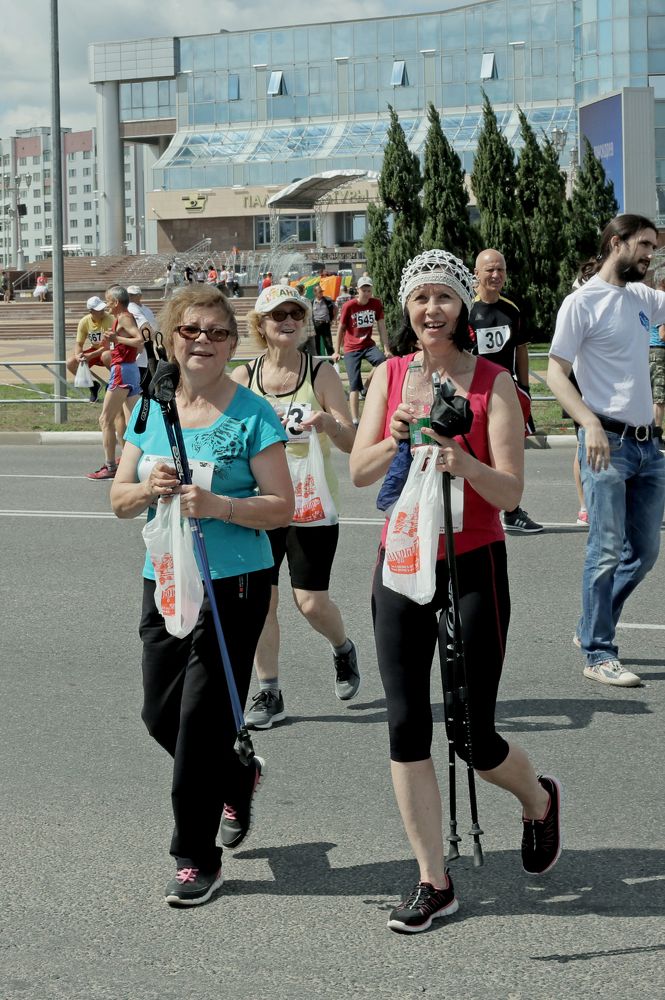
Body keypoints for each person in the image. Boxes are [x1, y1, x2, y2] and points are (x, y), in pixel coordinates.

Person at [350, 249, 562, 934]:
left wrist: (462, 458)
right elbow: (358, 470)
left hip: (472, 562)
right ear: (405, 310)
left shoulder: (493, 383)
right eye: (419, 299)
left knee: (472, 734)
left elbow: (508, 491)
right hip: (403, 559)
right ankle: (431, 880)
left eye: (443, 298)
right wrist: (400, 435)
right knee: (405, 724)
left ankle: (535, 800)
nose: (431, 311)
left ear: (462, 306)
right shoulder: (387, 375)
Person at [110, 284, 294, 906]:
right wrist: (147, 488)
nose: (204, 342)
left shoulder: (253, 414)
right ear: (170, 336)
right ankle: (236, 771)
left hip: (235, 583)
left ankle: (195, 857)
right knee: (159, 713)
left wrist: (220, 506)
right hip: (164, 577)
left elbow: (281, 508)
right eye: (192, 330)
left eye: (218, 333)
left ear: (232, 342)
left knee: (200, 719)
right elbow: (118, 500)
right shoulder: (150, 409)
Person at [231, 284, 359, 729]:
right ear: (261, 326)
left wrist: (327, 422)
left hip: (310, 507)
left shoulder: (320, 372)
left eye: (294, 314)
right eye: (277, 315)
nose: (287, 321)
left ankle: (342, 648)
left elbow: (351, 440)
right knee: (262, 605)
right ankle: (270, 693)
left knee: (310, 603)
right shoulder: (244, 376)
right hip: (261, 505)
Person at [547, 214, 665, 688]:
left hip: (648, 447)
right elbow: (556, 372)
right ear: (616, 243)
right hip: (607, 445)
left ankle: (590, 626)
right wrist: (588, 422)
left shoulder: (641, 298)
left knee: (645, 552)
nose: (650, 255)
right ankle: (598, 651)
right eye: (644, 246)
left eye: (654, 248)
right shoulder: (581, 303)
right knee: (605, 550)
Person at [469, 249, 542, 534]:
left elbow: (521, 349)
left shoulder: (512, 309)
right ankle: (477, 509)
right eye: (490, 270)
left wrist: (524, 389)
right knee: (475, 453)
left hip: (507, 392)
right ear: (477, 273)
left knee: (508, 454)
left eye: (501, 270)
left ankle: (511, 511)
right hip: (474, 393)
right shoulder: (466, 310)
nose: (496, 275)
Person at [87, 286, 143, 481]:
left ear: (116, 303)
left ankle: (110, 466)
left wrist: (116, 337)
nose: (107, 305)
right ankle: (138, 462)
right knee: (134, 423)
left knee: (105, 420)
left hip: (122, 371)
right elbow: (115, 344)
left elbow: (140, 341)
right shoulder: (122, 318)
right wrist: (89, 355)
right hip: (130, 370)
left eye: (108, 301)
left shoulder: (125, 317)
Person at [333, 276, 389, 425]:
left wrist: (387, 348)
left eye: (369, 290)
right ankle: (355, 419)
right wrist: (336, 350)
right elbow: (341, 329)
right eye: (363, 290)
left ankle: (366, 387)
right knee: (353, 385)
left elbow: (382, 326)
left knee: (383, 362)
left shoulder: (376, 303)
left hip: (368, 345)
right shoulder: (349, 306)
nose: (366, 293)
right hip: (351, 348)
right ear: (357, 290)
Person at [67, 295, 113, 403]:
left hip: (109, 351)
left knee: (106, 355)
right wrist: (78, 356)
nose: (102, 311)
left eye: (102, 308)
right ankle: (93, 386)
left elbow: (109, 345)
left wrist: (91, 355)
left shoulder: (110, 319)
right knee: (71, 363)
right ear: (91, 311)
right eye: (99, 310)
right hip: (95, 351)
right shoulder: (84, 322)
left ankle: (113, 383)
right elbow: (79, 344)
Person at [127, 285, 156, 392]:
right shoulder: (147, 309)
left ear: (139, 296)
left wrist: (141, 343)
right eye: (129, 295)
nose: (130, 297)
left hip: (138, 354)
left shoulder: (131, 307)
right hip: (148, 353)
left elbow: (146, 328)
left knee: (137, 389)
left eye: (132, 295)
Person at [648, 276, 665, 439]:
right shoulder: (662, 303)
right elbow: (662, 334)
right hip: (659, 352)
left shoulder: (650, 300)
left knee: (649, 392)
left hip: (647, 350)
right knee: (659, 394)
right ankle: (656, 433)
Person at [311, 282, 337, 356]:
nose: (321, 293)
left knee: (329, 344)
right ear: (315, 293)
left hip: (326, 325)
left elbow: (336, 309)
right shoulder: (311, 302)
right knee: (316, 345)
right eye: (320, 292)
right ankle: (319, 363)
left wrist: (334, 320)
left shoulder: (327, 300)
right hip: (316, 325)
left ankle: (333, 363)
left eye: (322, 291)